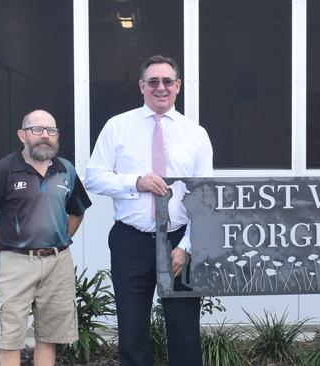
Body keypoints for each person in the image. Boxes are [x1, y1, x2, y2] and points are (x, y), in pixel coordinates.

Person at [84, 55, 213, 366]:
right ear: (142, 86)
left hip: (179, 240)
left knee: (184, 332)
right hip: (132, 241)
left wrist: (186, 247)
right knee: (131, 330)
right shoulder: (118, 127)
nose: (160, 87)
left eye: (167, 81)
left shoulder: (195, 134)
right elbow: (93, 177)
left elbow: (205, 197)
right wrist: (136, 182)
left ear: (178, 86)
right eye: (153, 81)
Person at [0, 110, 91, 366]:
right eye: (37, 130)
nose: (45, 136)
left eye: (51, 131)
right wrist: (1, 248)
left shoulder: (65, 169)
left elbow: (78, 210)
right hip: (17, 264)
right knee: (9, 339)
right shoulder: (4, 170)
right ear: (22, 135)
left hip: (58, 264)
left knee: (49, 338)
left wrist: (61, 238)